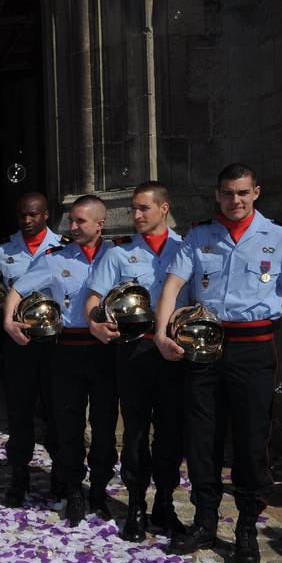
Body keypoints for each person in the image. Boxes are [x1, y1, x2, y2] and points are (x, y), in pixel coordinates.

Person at [154, 163, 282, 563]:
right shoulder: (199, 235)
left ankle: (245, 528)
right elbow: (173, 284)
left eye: (243, 192)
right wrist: (161, 332)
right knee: (202, 437)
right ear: (217, 194)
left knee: (251, 438)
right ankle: (204, 520)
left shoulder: (278, 237)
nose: (235, 200)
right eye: (228, 193)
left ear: (256, 192)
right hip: (204, 347)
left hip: (254, 350)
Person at [3, 195, 117, 526]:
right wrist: (10, 320)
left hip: (105, 351)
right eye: (71, 220)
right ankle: (74, 492)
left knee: (105, 424)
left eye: (82, 221)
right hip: (66, 350)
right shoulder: (55, 258)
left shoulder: (118, 255)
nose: (73, 226)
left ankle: (98, 488)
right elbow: (18, 290)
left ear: (100, 223)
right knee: (68, 426)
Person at [84, 182, 188, 541]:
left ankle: (164, 504)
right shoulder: (119, 255)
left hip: (174, 353)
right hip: (134, 353)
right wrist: (95, 325)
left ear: (164, 208)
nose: (137, 215)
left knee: (172, 432)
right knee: (135, 432)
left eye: (144, 208)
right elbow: (93, 299)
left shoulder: (187, 249)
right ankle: (137, 507)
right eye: (133, 209)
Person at [0, 192, 66, 506]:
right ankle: (19, 474)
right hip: (18, 341)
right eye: (22, 216)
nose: (27, 221)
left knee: (56, 411)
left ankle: (60, 474)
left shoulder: (65, 246)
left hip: (56, 344)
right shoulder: (2, 249)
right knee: (19, 413)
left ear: (46, 214)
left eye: (34, 215)